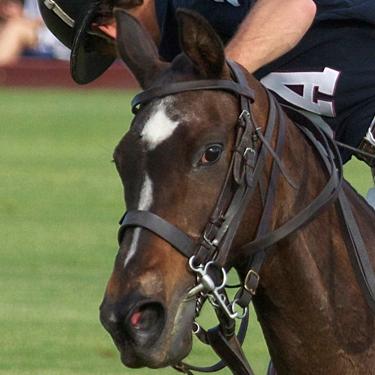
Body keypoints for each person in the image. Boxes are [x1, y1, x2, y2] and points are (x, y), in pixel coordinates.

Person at [37, 0, 375, 205]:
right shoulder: (179, 57)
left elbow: (292, 6)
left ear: (107, 28)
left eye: (98, 49)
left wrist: (216, 77)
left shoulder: (190, 16)